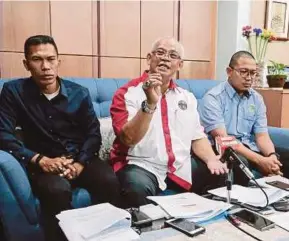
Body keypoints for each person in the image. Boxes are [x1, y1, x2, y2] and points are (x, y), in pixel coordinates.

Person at [0, 35, 124, 241]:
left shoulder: (80, 93)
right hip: (42, 161)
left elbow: (92, 133)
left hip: (78, 158)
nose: (45, 66)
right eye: (37, 59)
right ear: (26, 64)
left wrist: (80, 163)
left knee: (108, 180)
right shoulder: (14, 92)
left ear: (59, 61)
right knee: (57, 190)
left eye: (50, 59)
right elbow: (3, 134)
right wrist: (39, 159)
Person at [110, 37, 228, 207]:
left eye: (173, 55)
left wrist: (211, 159)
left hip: (180, 166)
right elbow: (127, 139)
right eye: (160, 53)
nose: (165, 58)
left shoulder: (187, 97)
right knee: (136, 188)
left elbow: (197, 136)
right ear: (149, 58)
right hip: (141, 165)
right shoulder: (127, 93)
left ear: (180, 65)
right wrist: (150, 104)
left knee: (220, 173)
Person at [199, 50, 289, 185]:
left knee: (284, 159)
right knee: (240, 162)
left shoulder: (256, 98)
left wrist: (271, 157)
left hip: (250, 148)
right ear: (229, 71)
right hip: (224, 150)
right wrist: (260, 160)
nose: (249, 77)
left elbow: (262, 136)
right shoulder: (213, 98)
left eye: (253, 73)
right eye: (243, 72)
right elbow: (225, 140)